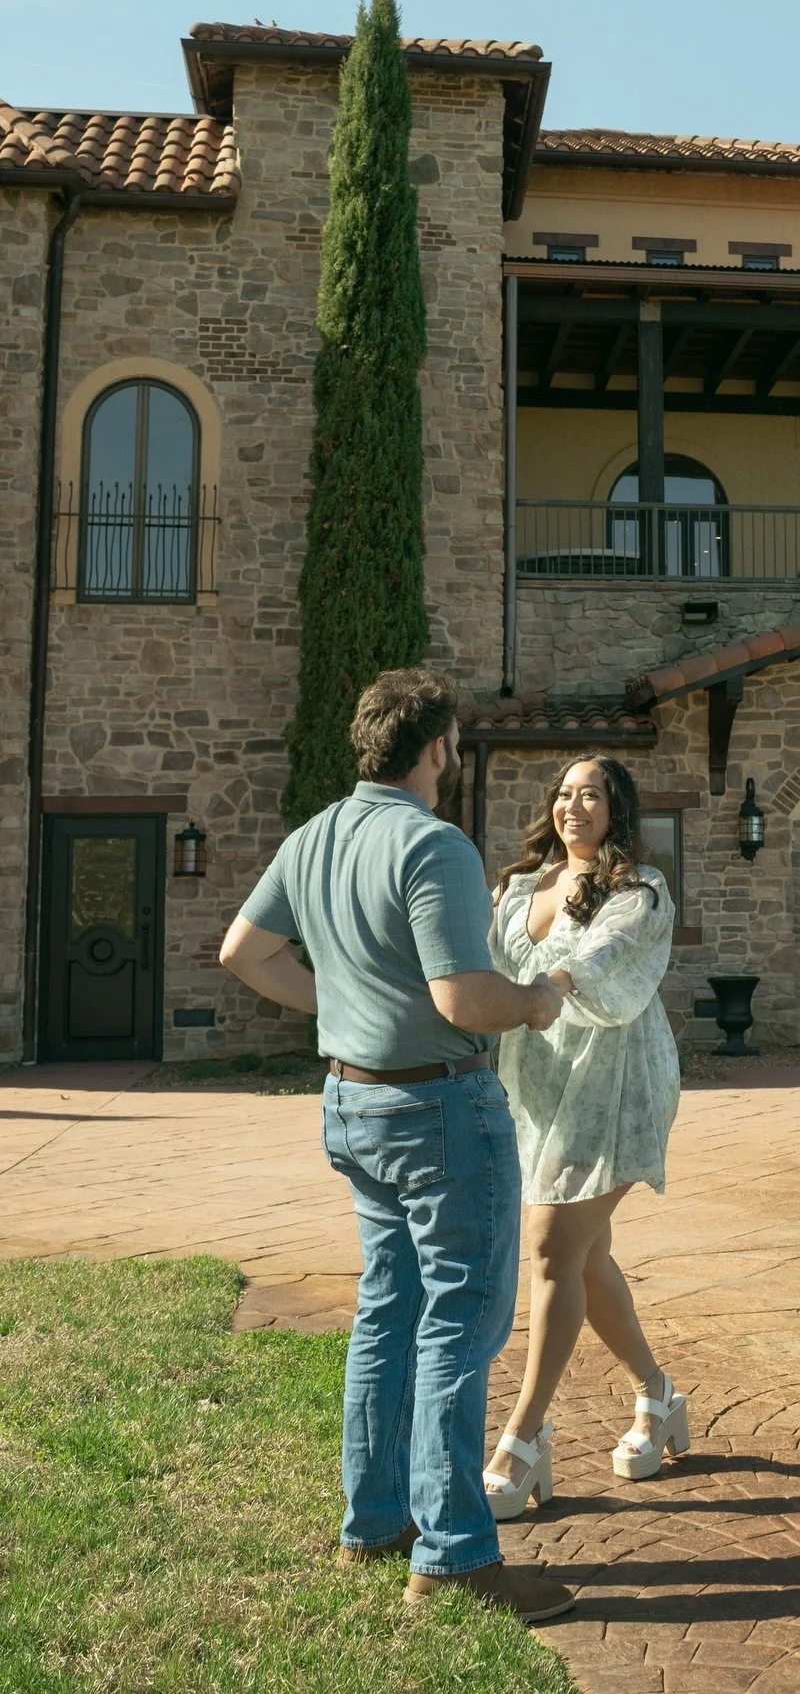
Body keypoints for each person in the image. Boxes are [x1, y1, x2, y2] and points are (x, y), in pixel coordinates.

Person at [219, 668, 575, 1622]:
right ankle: (456, 1553)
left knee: (389, 1309)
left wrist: (336, 1005)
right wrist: (538, 1000)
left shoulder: (314, 836)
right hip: (440, 1111)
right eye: (451, 743)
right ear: (436, 748)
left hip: (351, 1105)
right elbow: (465, 997)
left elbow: (243, 954)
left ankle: (374, 1523)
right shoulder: (433, 843)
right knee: (457, 1321)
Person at [481, 754, 685, 1519]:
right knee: (586, 1252)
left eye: (590, 793)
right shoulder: (516, 888)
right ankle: (657, 1397)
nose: (573, 805)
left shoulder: (641, 891)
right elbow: (479, 961)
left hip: (615, 1083)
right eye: (564, 793)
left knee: (551, 1248)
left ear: (616, 808)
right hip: (533, 1086)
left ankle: (523, 1440)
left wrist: (551, 984)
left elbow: (600, 960)